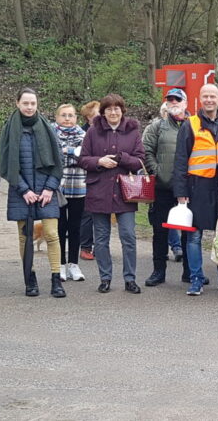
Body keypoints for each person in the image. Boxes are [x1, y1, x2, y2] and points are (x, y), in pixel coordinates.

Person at [0, 88, 66, 298]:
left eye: (33, 103)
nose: (29, 107)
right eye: (25, 103)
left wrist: (49, 188)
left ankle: (57, 280)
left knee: (52, 235)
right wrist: (24, 189)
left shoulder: (48, 128)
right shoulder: (9, 129)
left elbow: (58, 162)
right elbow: (6, 165)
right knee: (25, 237)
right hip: (22, 192)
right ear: (17, 103)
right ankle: (30, 280)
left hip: (47, 190)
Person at [78, 93, 145, 295]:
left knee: (128, 236)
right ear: (103, 112)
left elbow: (140, 160)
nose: (113, 112)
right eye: (109, 109)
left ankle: (130, 279)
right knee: (101, 238)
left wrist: (122, 158)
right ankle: (105, 278)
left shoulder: (133, 132)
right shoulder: (93, 131)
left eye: (116, 108)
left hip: (125, 191)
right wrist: (99, 161)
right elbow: (83, 159)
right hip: (99, 189)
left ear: (122, 110)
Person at [173, 84, 218, 295]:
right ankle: (196, 279)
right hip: (197, 186)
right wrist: (181, 192)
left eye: (213, 96)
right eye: (205, 96)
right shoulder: (189, 124)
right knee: (194, 236)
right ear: (200, 99)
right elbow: (181, 160)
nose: (209, 99)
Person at [142, 89, 191, 288]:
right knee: (159, 231)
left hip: (188, 188)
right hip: (163, 187)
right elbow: (145, 150)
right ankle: (158, 271)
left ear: (185, 102)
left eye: (177, 99)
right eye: (170, 100)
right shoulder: (157, 125)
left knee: (190, 232)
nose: (173, 102)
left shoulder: (194, 125)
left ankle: (190, 272)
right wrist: (157, 171)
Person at [52, 104, 86, 282]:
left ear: (76, 118)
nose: (67, 118)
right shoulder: (51, 135)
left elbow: (85, 158)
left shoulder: (84, 135)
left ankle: (73, 263)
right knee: (59, 226)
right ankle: (61, 264)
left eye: (71, 115)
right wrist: (73, 153)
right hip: (57, 186)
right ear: (57, 117)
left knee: (75, 226)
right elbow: (55, 158)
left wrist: (66, 151)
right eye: (63, 115)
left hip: (79, 185)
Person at [78, 100, 100, 261]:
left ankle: (100, 246)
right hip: (84, 178)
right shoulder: (82, 133)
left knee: (100, 213)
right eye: (95, 116)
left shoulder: (105, 132)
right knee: (87, 214)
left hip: (102, 178)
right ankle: (85, 246)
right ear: (88, 118)